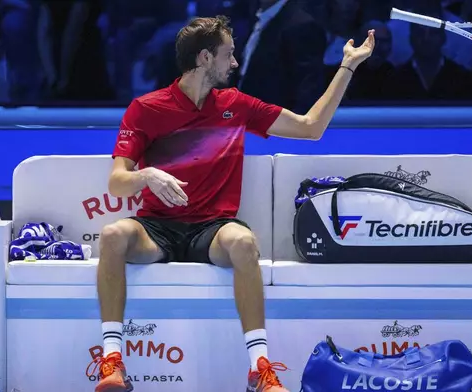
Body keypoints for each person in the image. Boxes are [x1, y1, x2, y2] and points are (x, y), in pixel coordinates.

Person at [86, 15, 375, 392]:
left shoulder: (236, 105)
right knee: (111, 235)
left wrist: (347, 66)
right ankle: (112, 363)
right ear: (205, 58)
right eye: (229, 55)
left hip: (213, 229)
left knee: (243, 242)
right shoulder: (146, 108)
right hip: (157, 229)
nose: (235, 63)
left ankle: (259, 368)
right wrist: (146, 175)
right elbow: (117, 182)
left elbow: (311, 128)